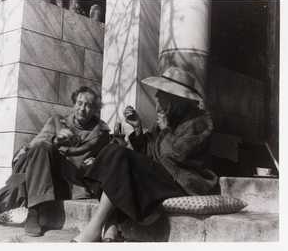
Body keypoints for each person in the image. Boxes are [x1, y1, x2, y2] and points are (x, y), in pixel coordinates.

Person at [72, 66, 219, 242]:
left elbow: (176, 156)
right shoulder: (169, 119)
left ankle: (96, 228)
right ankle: (111, 225)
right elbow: (150, 155)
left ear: (175, 99)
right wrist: (138, 127)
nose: (156, 97)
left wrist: (165, 131)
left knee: (120, 156)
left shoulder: (200, 122)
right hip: (164, 177)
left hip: (183, 184)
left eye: (161, 93)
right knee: (111, 152)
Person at [0, 86, 110, 237]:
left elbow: (108, 159)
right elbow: (34, 146)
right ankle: (34, 211)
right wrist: (55, 140)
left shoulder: (101, 134)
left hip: (69, 183)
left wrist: (93, 162)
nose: (82, 108)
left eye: (88, 105)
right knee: (42, 148)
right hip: (45, 175)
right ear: (74, 104)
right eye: (79, 103)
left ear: (95, 110)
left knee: (28, 177)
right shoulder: (58, 122)